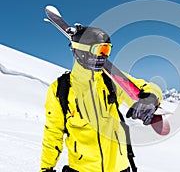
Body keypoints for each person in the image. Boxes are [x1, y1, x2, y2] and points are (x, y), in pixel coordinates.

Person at [40, 25, 162, 172]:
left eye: (107, 50)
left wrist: (150, 100)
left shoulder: (112, 80)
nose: (104, 56)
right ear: (82, 52)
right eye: (100, 50)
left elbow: (147, 87)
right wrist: (46, 167)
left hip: (120, 168)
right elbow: (53, 133)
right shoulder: (61, 89)